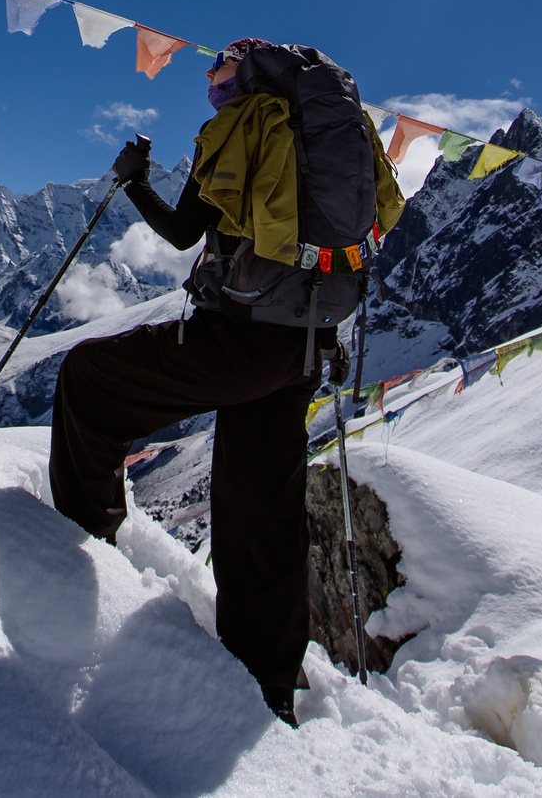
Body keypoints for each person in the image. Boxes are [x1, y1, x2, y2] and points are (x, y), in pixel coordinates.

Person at [47, 39, 402, 727]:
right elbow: (385, 214)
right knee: (262, 508)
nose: (210, 86)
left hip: (241, 336)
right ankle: (268, 681)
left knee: (89, 379)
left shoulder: (242, 123)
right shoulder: (343, 127)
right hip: (306, 341)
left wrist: (136, 179)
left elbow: (183, 232)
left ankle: (78, 548)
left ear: (241, 76)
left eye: (217, 75)